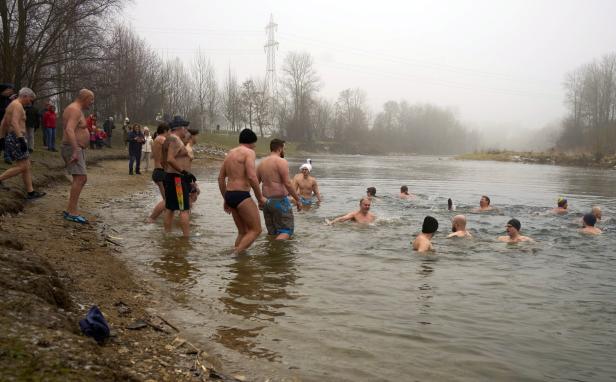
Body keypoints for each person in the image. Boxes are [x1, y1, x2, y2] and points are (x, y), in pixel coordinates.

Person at [218, 128, 266, 253]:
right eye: (254, 143)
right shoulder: (249, 153)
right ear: (250, 142)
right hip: (241, 195)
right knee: (256, 230)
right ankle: (235, 255)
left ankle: (238, 265)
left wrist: (225, 198)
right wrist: (260, 197)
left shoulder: (230, 153)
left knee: (243, 232)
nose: (255, 146)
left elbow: (221, 178)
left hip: (230, 194)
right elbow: (251, 176)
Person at [0, 87, 46, 199]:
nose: (30, 102)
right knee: (22, 167)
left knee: (26, 166)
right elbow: (15, 122)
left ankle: (30, 192)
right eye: (30, 100)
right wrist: (21, 139)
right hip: (16, 137)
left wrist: (1, 137)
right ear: (25, 96)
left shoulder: (12, 104)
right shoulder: (17, 105)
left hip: (13, 136)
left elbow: (4, 122)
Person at [257, 139, 302, 240]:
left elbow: (255, 183)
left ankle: (272, 253)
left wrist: (259, 198)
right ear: (280, 148)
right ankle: (276, 253)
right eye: (284, 148)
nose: (284, 151)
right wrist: (298, 200)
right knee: (287, 230)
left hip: (266, 202)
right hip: (279, 201)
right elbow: (287, 183)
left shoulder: (261, 163)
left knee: (272, 232)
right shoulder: (281, 161)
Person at [61, 89, 94, 224]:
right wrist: (75, 150)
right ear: (85, 98)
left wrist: (86, 125)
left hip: (76, 148)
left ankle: (70, 209)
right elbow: (69, 129)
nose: (91, 103)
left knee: (81, 178)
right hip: (73, 148)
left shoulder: (75, 109)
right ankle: (71, 212)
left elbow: (76, 127)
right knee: (80, 178)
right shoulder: (75, 109)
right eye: (91, 100)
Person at [162, 116, 193, 237]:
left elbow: (166, 159)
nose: (186, 131)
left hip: (172, 177)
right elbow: (170, 159)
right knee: (184, 209)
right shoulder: (175, 140)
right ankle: (186, 237)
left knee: (170, 208)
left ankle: (167, 234)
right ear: (180, 127)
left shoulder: (169, 139)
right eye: (185, 128)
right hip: (178, 179)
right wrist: (184, 172)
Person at [146, 123, 170, 223]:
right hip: (161, 172)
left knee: (166, 199)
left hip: (158, 171)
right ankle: (151, 218)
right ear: (165, 130)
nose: (169, 133)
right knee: (167, 200)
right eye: (169, 131)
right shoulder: (162, 139)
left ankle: (165, 218)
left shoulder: (156, 139)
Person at [184, 128, 200, 206]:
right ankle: (187, 214)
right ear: (192, 137)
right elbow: (184, 166)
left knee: (195, 193)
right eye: (197, 136)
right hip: (185, 176)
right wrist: (190, 181)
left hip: (187, 176)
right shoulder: (188, 148)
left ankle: (188, 215)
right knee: (193, 194)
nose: (198, 138)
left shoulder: (189, 148)